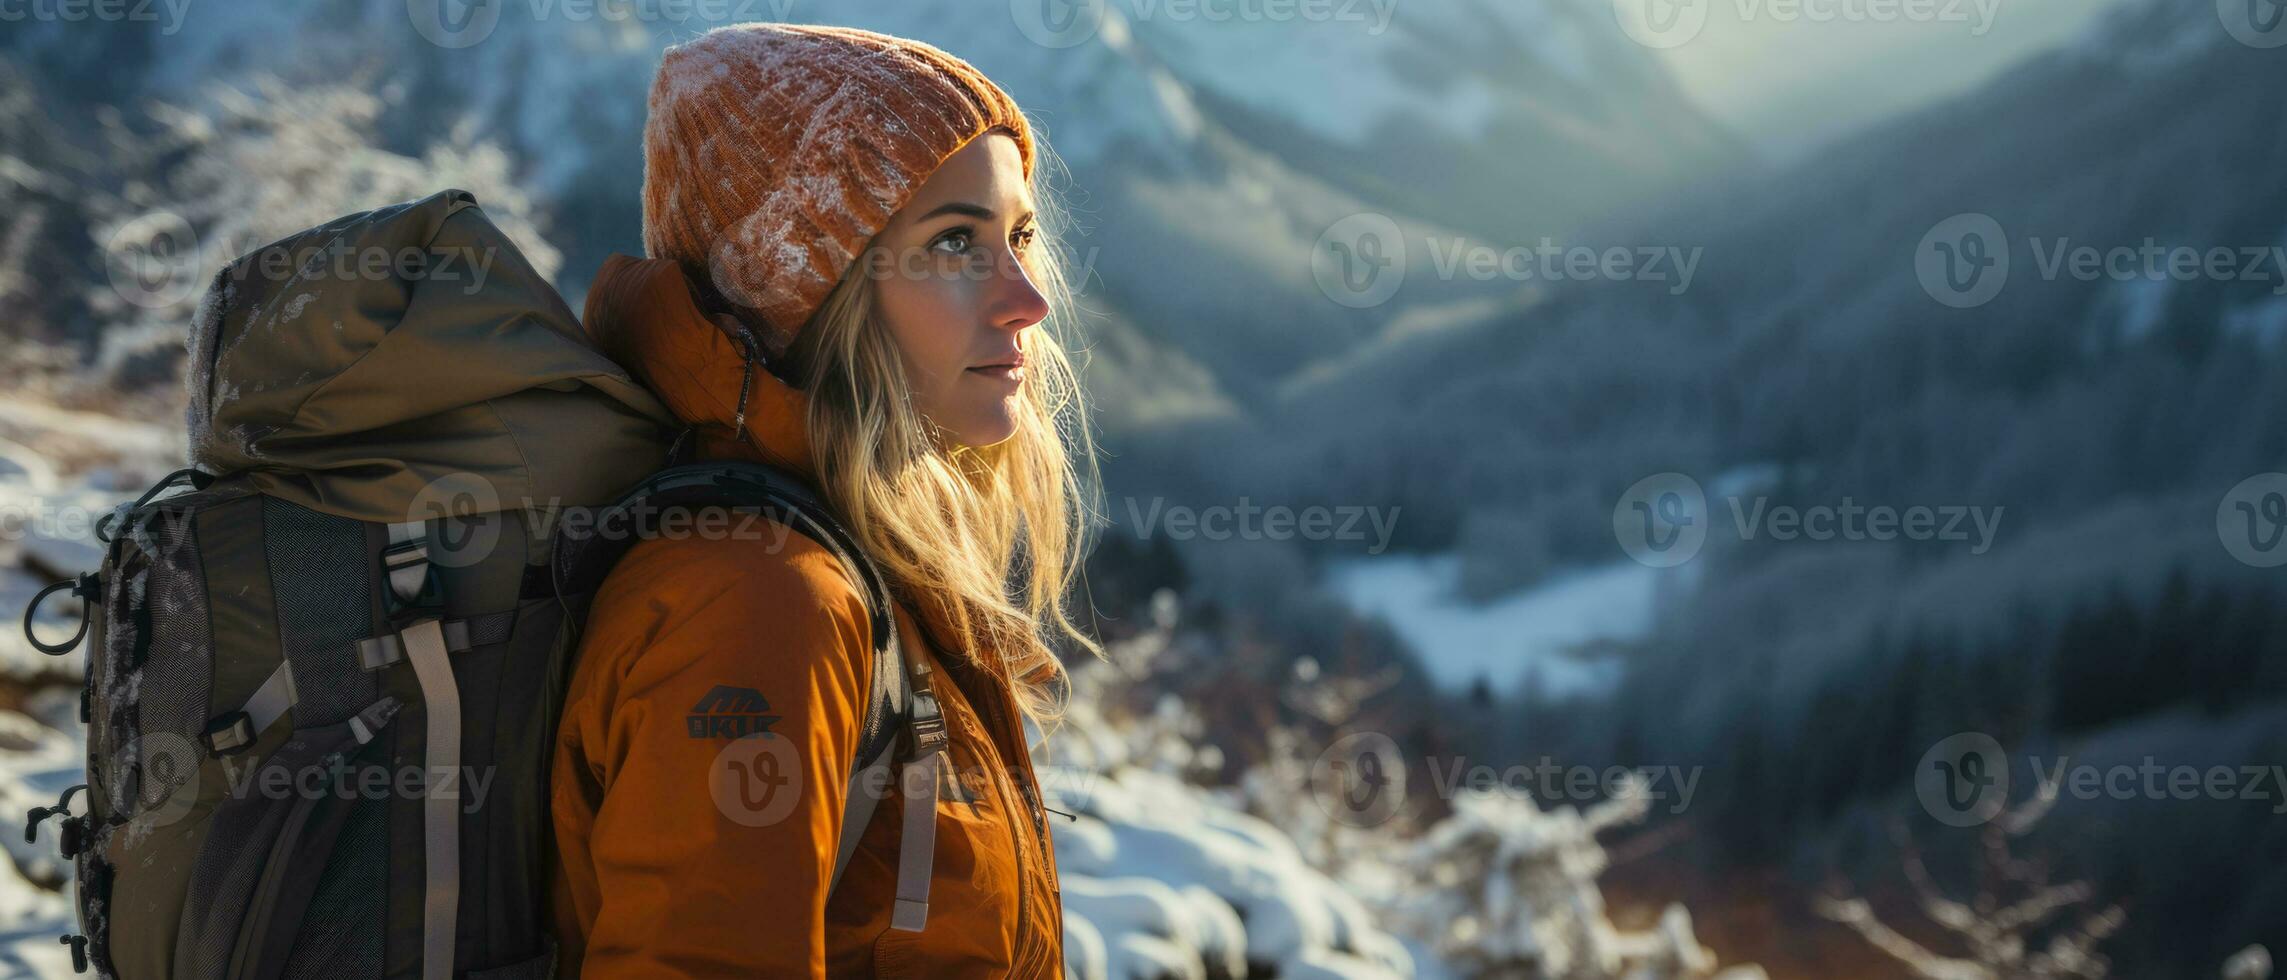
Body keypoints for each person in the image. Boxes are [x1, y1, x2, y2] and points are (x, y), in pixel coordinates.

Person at [548, 23, 1100, 977]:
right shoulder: (760, 602)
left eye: (1017, 236)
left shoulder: (834, 564)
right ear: (804, 283)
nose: (1026, 298)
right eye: (955, 243)